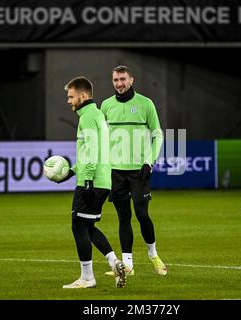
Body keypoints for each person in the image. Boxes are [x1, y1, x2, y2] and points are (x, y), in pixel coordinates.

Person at [58, 76, 127, 289]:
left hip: (93, 180)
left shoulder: (87, 117)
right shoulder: (97, 114)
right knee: (87, 226)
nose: (69, 101)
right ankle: (114, 262)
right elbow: (94, 150)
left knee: (78, 225)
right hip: (103, 180)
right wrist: (72, 172)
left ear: (83, 95)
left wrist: (86, 180)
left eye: (71, 96)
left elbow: (92, 151)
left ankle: (87, 278)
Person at [100, 65, 167, 276]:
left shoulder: (145, 104)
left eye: (122, 79)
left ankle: (153, 254)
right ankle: (128, 266)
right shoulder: (106, 106)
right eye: (115, 80)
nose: (119, 84)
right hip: (115, 172)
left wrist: (150, 161)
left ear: (131, 80)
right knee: (123, 216)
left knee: (142, 214)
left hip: (139, 171)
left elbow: (158, 134)